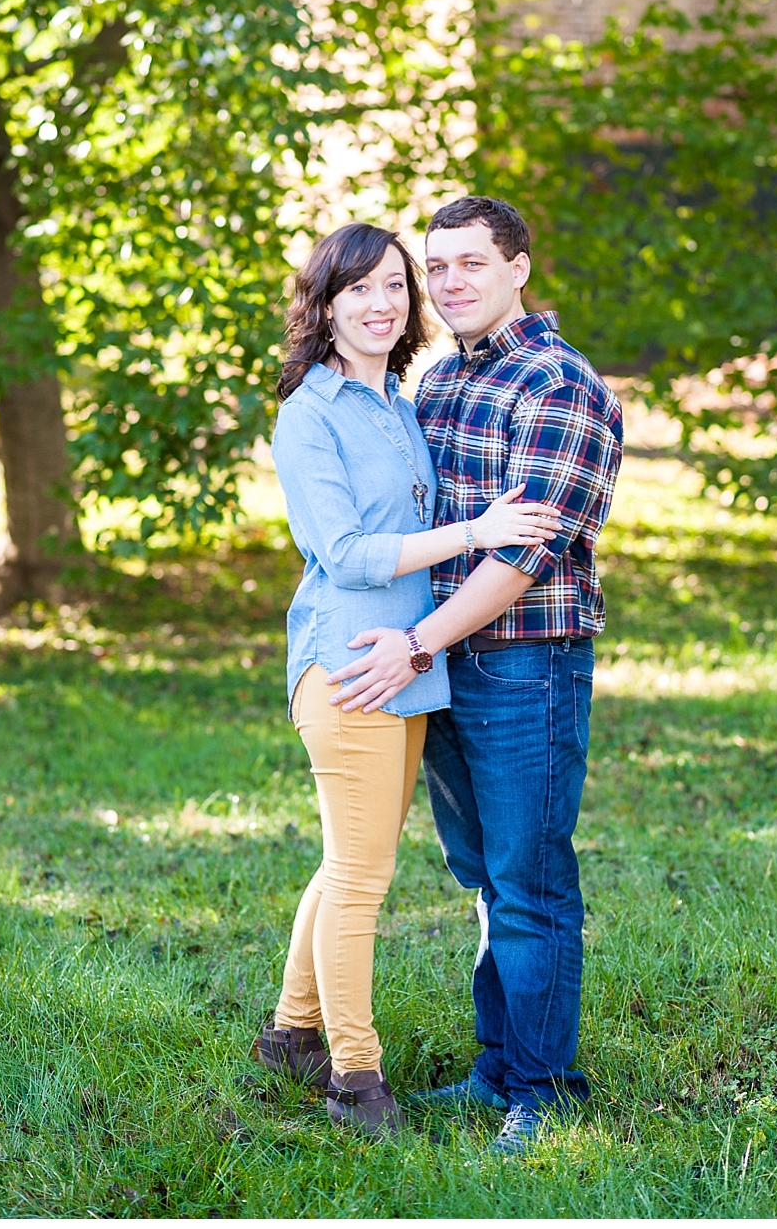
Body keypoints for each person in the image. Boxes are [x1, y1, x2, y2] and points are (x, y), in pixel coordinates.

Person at [323, 196, 623, 1156]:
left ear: (520, 268)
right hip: (444, 666)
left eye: (471, 265)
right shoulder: (442, 380)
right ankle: (499, 1068)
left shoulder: (560, 387)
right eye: (437, 267)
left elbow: (517, 560)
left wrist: (416, 646)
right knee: (486, 880)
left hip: (524, 665)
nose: (449, 283)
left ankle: (546, 1090)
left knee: (531, 881)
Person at [260, 221, 563, 1140]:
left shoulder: (398, 398)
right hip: (350, 668)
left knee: (346, 864)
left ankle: (289, 1033)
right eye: (361, 289)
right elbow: (348, 555)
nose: (384, 303)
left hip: (412, 665)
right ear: (324, 304)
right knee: (362, 878)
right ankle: (356, 1076)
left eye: (398, 285)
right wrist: (476, 534)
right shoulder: (308, 414)